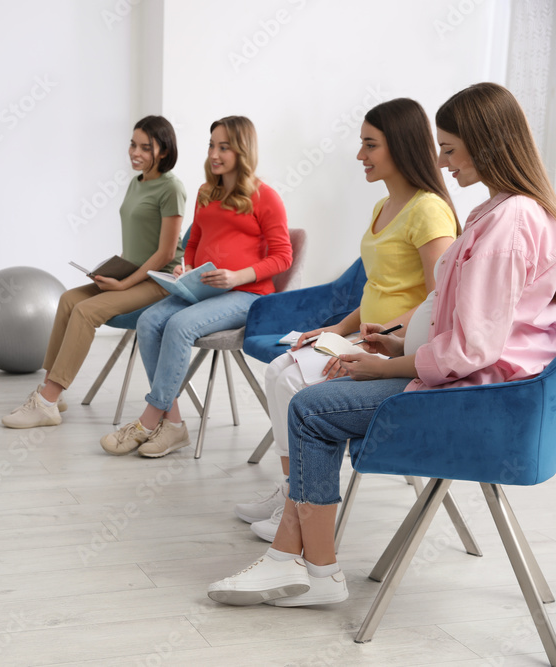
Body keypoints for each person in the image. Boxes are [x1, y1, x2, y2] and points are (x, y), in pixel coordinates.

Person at [208, 82, 556, 607]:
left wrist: (385, 367)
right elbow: (462, 318)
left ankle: (310, 568)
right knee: (306, 398)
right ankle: (298, 563)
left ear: (486, 144)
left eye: (450, 149)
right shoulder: (504, 213)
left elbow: (472, 351)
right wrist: (395, 347)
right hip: (470, 380)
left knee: (310, 409)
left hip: (477, 395)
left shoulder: (508, 225)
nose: (442, 162)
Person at [233, 98, 459, 540]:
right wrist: (337, 328)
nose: (360, 155)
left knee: (293, 383)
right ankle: (291, 491)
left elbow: (438, 300)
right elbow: (377, 287)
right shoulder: (383, 207)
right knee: (278, 369)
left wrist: (377, 335)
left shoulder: (429, 210)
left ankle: (301, 505)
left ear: (401, 145)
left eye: (370, 145)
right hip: (365, 334)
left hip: (395, 345)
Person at [99, 116, 292, 457]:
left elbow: (283, 257)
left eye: (224, 147)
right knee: (149, 320)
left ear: (243, 151)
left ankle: (148, 420)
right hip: (202, 290)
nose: (214, 154)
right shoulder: (206, 193)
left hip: (247, 295)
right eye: (211, 145)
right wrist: (185, 267)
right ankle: (174, 424)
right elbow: (193, 242)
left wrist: (237, 276)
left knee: (179, 325)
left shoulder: (266, 197)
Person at [1, 116, 186, 428]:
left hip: (158, 281)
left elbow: (166, 253)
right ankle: (51, 391)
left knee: (86, 312)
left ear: (164, 151)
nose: (135, 152)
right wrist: (113, 271)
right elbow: (138, 242)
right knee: (69, 299)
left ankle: (46, 402)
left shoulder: (172, 188)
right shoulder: (136, 183)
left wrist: (124, 284)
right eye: (133, 144)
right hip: (132, 273)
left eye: (145, 147)